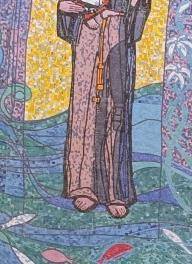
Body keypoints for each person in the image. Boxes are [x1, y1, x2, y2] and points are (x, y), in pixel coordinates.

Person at [56, 0, 151, 218]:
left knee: (115, 112)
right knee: (84, 112)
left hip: (116, 37)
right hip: (87, 39)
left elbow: (135, 28)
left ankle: (115, 193)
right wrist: (63, 9)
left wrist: (135, 5)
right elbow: (67, 23)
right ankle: (82, 187)